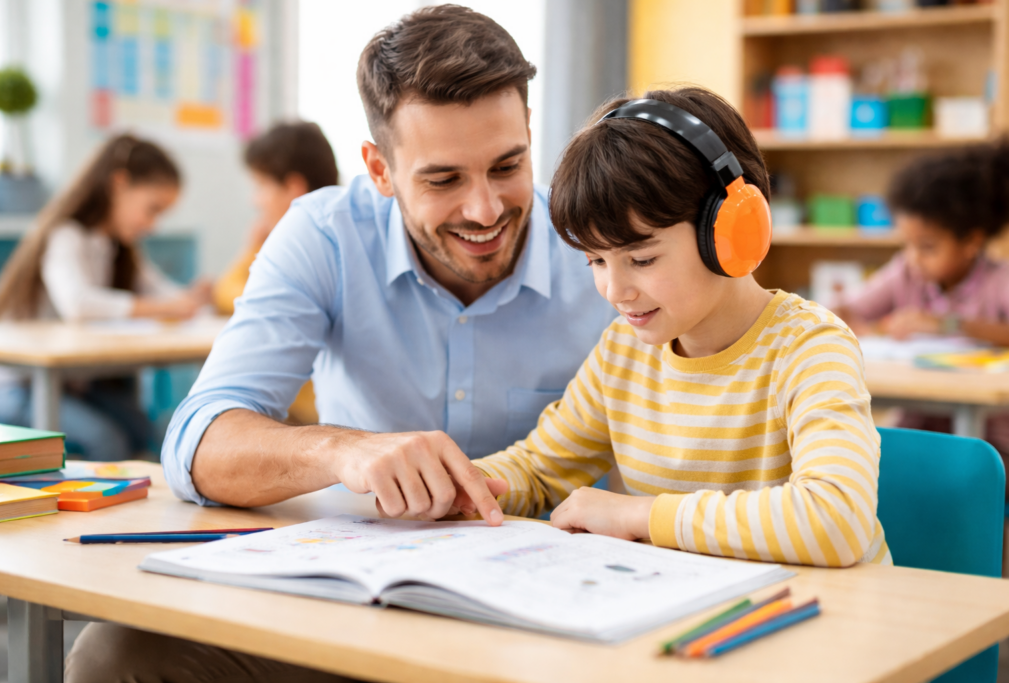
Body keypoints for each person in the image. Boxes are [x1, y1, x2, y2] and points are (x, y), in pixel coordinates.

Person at [66, 6, 614, 682]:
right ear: (379, 170)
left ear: (532, 136)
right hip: (358, 609)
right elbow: (197, 440)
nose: (485, 209)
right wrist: (341, 448)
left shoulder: (602, 247)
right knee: (116, 655)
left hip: (554, 619)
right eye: (443, 179)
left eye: (507, 165)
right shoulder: (325, 236)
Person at [469, 87, 890, 567]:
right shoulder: (623, 352)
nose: (614, 289)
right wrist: (458, 485)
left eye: (642, 258)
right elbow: (539, 471)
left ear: (732, 231)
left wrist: (640, 516)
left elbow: (835, 521)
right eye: (596, 261)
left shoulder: (809, 347)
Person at [0, 134, 210, 461]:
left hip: (72, 385)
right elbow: (78, 305)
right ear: (119, 184)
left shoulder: (118, 248)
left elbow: (161, 290)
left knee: (145, 431)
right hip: (23, 386)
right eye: (151, 209)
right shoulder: (65, 235)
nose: (152, 225)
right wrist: (164, 307)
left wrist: (192, 298)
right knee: (106, 441)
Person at [836, 135, 1009, 499]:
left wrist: (949, 324)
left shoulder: (1004, 281)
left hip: (996, 443)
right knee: (864, 469)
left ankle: (979, 556)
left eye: (928, 247)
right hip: (918, 431)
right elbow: (846, 310)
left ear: (971, 241)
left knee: (967, 486)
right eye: (907, 244)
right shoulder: (905, 273)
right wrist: (867, 327)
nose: (913, 258)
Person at [213, 121, 339, 424]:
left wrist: (250, 249)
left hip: (308, 417)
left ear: (293, 188)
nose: (255, 200)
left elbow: (229, 293)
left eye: (261, 186)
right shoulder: (344, 227)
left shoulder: (314, 246)